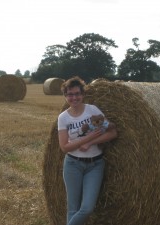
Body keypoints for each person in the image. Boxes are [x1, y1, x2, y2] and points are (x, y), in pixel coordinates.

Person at [58, 76, 117, 225]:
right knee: (72, 208)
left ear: (83, 95)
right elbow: (64, 147)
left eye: (77, 93)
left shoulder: (92, 110)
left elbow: (112, 132)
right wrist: (86, 139)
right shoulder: (63, 118)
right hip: (73, 164)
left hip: (95, 165)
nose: (74, 97)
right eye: (70, 94)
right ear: (65, 96)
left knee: (87, 208)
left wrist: (91, 142)